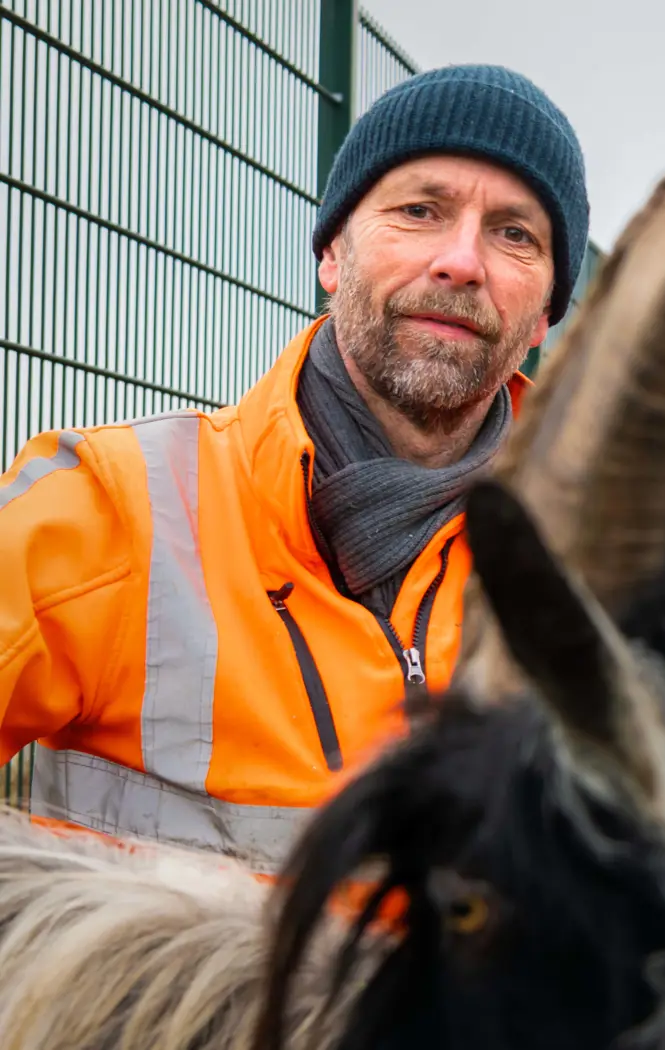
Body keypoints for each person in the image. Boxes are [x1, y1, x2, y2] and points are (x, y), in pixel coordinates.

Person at [0, 65, 589, 868]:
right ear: (332, 257)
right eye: (419, 211)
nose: (461, 261)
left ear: (545, 318)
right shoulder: (109, 507)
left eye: (515, 234)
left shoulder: (596, 575)